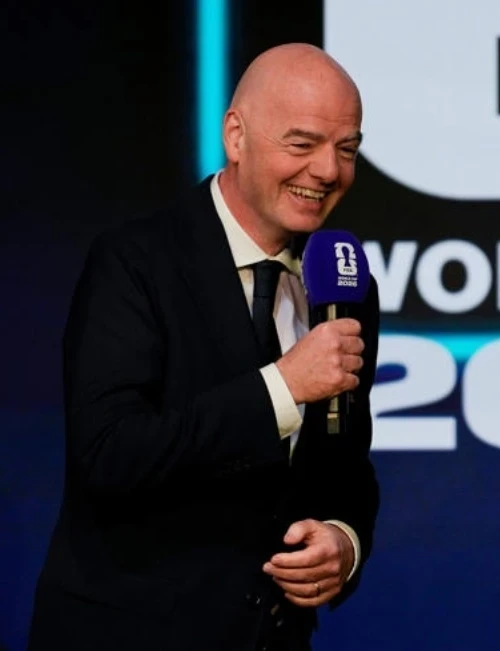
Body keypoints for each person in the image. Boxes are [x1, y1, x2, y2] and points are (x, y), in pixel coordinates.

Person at [27, 43, 380, 651]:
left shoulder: (346, 283)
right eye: (302, 144)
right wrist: (283, 388)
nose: (328, 170)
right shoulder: (134, 261)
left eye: (346, 149)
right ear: (236, 136)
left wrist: (343, 541)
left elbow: (345, 462)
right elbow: (109, 455)